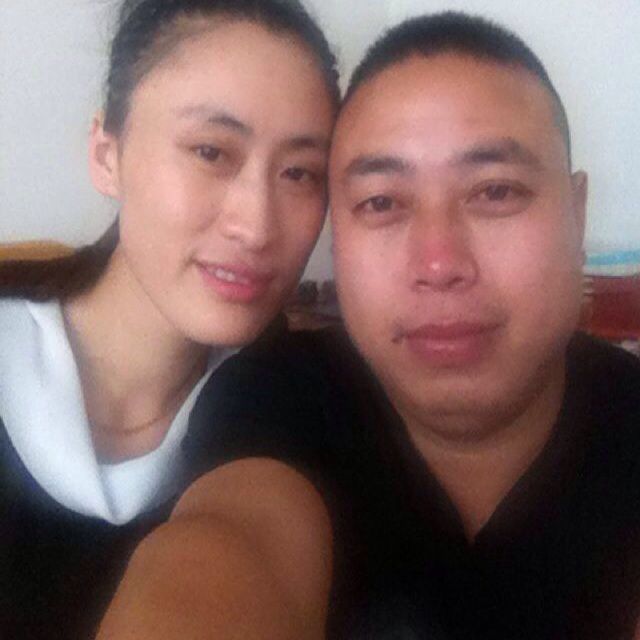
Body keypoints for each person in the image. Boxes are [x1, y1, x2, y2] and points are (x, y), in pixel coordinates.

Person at [97, 11, 640, 640]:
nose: (439, 264)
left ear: (576, 214)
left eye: (495, 192)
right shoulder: (279, 397)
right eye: (381, 202)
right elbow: (226, 550)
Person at [0, 1, 339, 637]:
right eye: (211, 151)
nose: (257, 225)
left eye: (299, 172)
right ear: (107, 155)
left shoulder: (290, 406)